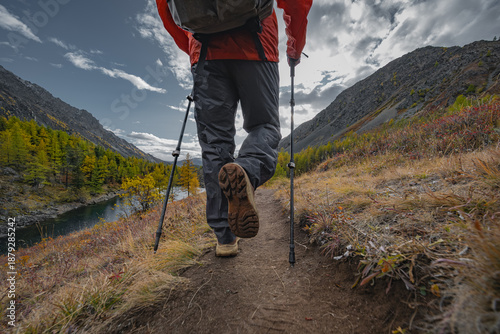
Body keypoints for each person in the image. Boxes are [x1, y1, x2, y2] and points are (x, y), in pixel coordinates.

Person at [156, 0, 312, 257]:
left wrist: (194, 50)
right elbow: (297, 3)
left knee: (214, 144)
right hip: (258, 44)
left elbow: (166, 9)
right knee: (265, 125)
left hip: (205, 53)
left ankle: (225, 238)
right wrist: (294, 49)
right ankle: (247, 170)